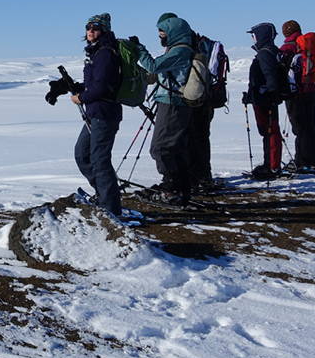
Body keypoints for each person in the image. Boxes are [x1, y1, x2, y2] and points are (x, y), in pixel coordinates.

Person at [135, 15, 195, 204]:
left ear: (173, 32)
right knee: (174, 148)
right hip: (172, 102)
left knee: (161, 148)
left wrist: (139, 49)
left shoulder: (180, 51)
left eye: (162, 32)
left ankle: (171, 190)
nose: (160, 35)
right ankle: (179, 188)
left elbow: (154, 65)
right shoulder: (178, 49)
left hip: (173, 103)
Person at [70, 13, 123, 214]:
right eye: (88, 27)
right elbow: (95, 83)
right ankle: (104, 194)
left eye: (95, 28)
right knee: (82, 154)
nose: (90, 31)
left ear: (104, 31)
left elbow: (102, 88)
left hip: (104, 113)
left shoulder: (105, 53)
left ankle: (111, 209)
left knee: (100, 160)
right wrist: (76, 87)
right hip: (96, 113)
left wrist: (81, 98)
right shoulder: (97, 52)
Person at [159, 12, 218, 192]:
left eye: (162, 29)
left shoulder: (182, 47)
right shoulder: (197, 43)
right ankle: (200, 177)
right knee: (198, 138)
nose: (160, 33)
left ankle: (186, 182)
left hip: (188, 99)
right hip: (202, 98)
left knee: (185, 140)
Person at [243, 23, 285, 179]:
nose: (252, 38)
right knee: (268, 131)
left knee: (270, 131)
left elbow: (269, 77)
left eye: (253, 35)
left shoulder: (265, 54)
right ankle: (270, 164)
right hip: (264, 98)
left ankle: (272, 166)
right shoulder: (271, 51)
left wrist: (268, 93)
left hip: (264, 100)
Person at [279, 20, 315, 169]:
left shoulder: (288, 47)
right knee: (310, 126)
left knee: (300, 128)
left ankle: (301, 161)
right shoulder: (310, 45)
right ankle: (311, 159)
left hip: (296, 93)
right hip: (310, 90)